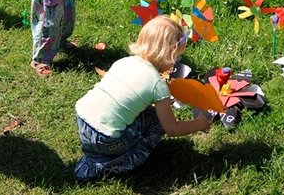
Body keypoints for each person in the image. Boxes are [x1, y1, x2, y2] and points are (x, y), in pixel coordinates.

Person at [74, 16, 211, 180]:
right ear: (169, 54)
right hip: (106, 138)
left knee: (143, 112)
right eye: (177, 57)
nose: (176, 63)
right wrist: (199, 123)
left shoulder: (125, 61)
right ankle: (111, 163)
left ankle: (95, 153)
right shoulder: (156, 84)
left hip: (83, 121)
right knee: (156, 121)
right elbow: (172, 128)